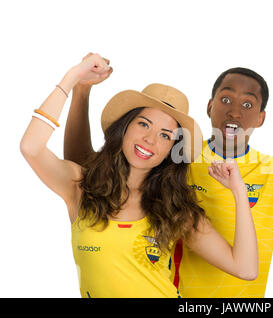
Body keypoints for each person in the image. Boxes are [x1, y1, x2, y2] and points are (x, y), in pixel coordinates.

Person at [65, 56, 273, 298]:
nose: (234, 112)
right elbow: (87, 173)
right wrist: (81, 91)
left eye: (248, 105)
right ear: (209, 107)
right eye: (226, 100)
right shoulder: (175, 161)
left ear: (261, 118)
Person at [20, 54, 258, 298]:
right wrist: (72, 79)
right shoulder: (80, 186)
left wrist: (239, 190)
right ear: (125, 126)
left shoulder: (176, 210)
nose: (150, 140)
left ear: (171, 151)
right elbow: (31, 147)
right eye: (144, 124)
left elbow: (246, 268)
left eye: (165, 135)